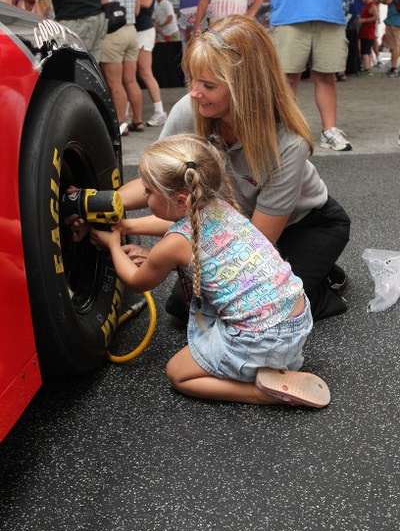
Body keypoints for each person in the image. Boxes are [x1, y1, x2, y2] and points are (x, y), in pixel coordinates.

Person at [117, 15, 351, 324]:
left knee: (269, 308)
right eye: (192, 79)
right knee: (181, 308)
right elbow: (153, 184)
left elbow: (249, 243)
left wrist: (174, 258)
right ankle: (297, 266)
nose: (194, 92)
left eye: (208, 84)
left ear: (246, 88)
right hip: (231, 219)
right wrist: (106, 207)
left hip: (305, 224)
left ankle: (319, 281)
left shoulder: (287, 144)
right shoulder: (191, 110)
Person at [90, 133, 331, 408]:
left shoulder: (173, 246)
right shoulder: (219, 206)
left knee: (178, 374)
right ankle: (272, 363)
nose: (144, 196)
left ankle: (261, 392)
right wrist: (127, 226)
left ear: (181, 200)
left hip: (263, 338)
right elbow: (180, 228)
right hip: (295, 318)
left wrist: (112, 245)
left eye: (148, 192)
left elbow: (136, 281)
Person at [266, 0, 357, 152]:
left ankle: (329, 130)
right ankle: (282, 132)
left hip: (330, 13)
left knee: (327, 76)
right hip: (290, 15)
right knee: (286, 79)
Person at [99, 0, 142, 136]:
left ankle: (121, 123)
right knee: (131, 80)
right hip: (132, 30)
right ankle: (138, 120)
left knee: (114, 82)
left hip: (113, 33)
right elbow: (136, 9)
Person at [124, 0, 168, 128]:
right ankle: (127, 114)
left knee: (144, 72)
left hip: (143, 29)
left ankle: (159, 112)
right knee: (130, 75)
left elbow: (147, 0)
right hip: (137, 29)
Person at [377, 0, 400, 78]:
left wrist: (379, 1)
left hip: (394, 19)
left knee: (395, 45)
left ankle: (394, 68)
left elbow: (388, 0)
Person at [356, 0, 379, 77]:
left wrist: (364, 20)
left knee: (365, 51)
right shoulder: (367, 5)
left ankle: (367, 69)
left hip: (368, 31)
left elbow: (376, 17)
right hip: (365, 31)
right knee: (367, 50)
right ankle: (368, 67)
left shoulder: (372, 5)